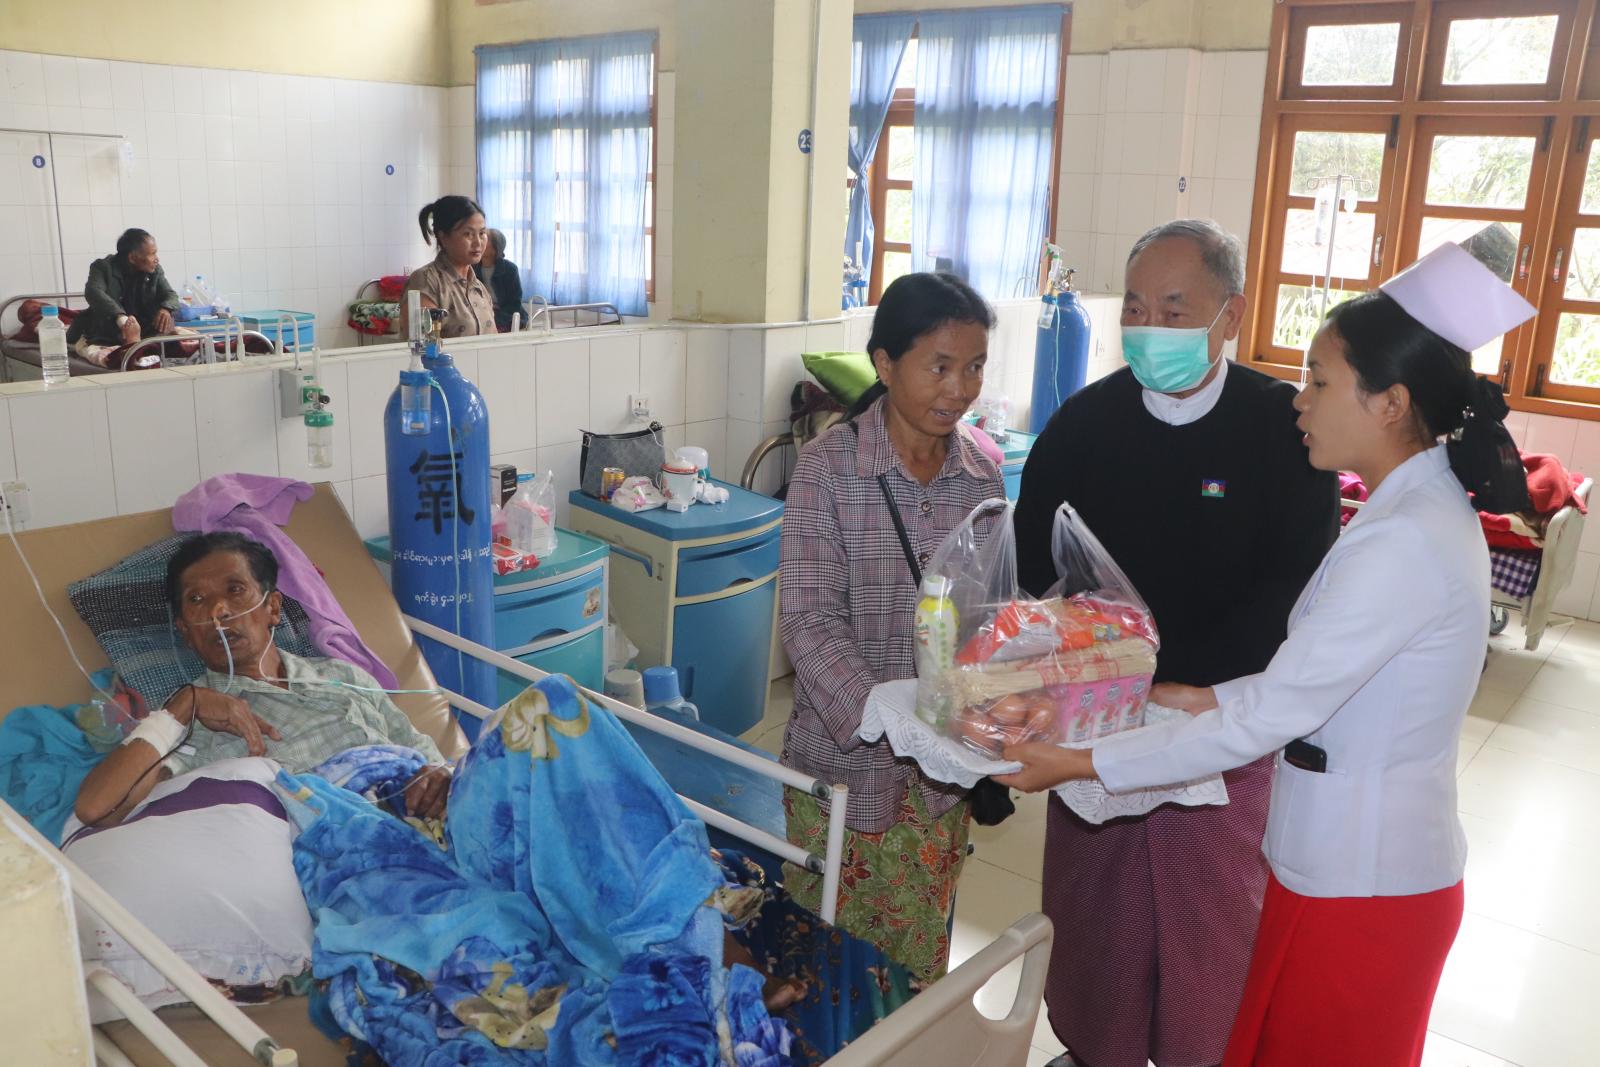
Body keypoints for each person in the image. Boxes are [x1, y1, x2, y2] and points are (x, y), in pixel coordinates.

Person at [998, 241, 1535, 1067]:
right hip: (1343, 863)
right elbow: (1307, 682)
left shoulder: (1404, 541)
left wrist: (1078, 761)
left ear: (1389, 402)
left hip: (1366, 875)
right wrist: (1200, 696)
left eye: (1320, 381)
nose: (1300, 401)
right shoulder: (1408, 516)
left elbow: (1277, 711)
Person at [1011, 219, 1340, 1067]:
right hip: (1099, 719)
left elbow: (1300, 585)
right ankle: (1096, 1050)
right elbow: (1032, 565)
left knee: (1212, 930)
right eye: (1134, 307)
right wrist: (1088, 665)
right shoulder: (1084, 425)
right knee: (1096, 921)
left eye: (1172, 309)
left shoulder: (1283, 430)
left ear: (1231, 315)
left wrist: (1191, 688)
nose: (1148, 327)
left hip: (1221, 728)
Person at [777, 271, 1004, 984]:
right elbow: (809, 620)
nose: (959, 389)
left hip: (940, 783)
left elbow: (986, 616)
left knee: (913, 970)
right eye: (940, 367)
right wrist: (888, 713)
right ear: (884, 363)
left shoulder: (981, 478)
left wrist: (994, 693)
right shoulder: (827, 469)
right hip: (843, 772)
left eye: (974, 368)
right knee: (826, 970)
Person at [73, 532, 451, 829]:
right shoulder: (187, 726)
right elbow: (96, 809)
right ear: (185, 631)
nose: (219, 610)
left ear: (272, 608)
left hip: (433, 817)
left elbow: (425, 754)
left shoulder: (343, 676)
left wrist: (440, 777)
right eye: (197, 599)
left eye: (235, 590)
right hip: (351, 848)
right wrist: (185, 704)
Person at [67, 228, 183, 361]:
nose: (156, 259)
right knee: (108, 333)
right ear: (132, 258)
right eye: (152, 254)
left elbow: (170, 294)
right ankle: (132, 344)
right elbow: (93, 292)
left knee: (168, 324)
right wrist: (121, 319)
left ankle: (139, 343)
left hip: (143, 326)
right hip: (107, 328)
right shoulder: (103, 267)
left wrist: (166, 308)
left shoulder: (155, 270)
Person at [401, 196, 496, 339]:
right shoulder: (426, 281)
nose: (478, 242)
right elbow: (424, 344)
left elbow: (494, 341)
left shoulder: (479, 288)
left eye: (482, 233)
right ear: (443, 237)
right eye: (468, 234)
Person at [475, 228, 525, 332]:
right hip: (480, 312)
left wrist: (494, 311)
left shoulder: (510, 269)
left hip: (504, 315)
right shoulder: (471, 268)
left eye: (484, 238)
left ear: (495, 248)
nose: (479, 242)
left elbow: (515, 302)